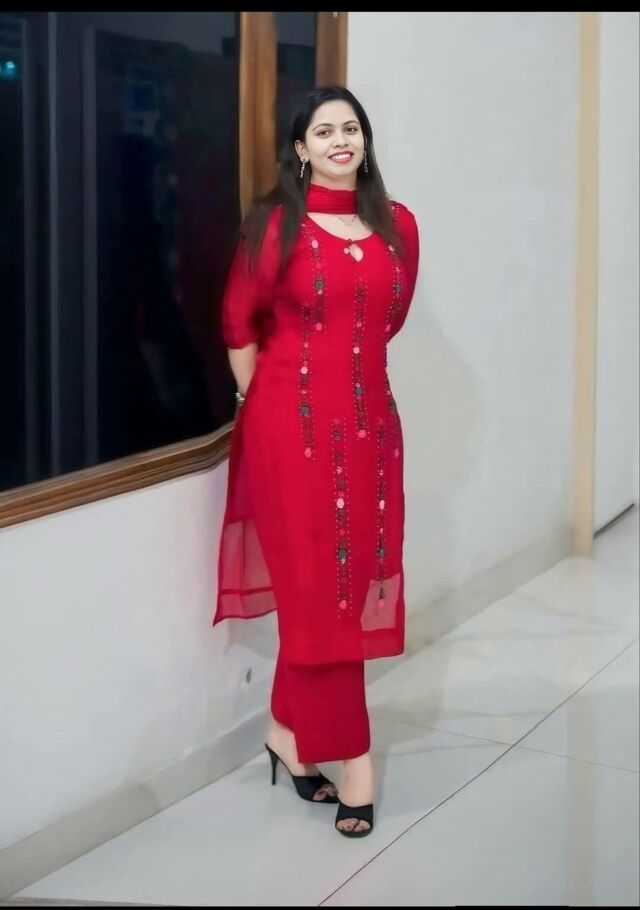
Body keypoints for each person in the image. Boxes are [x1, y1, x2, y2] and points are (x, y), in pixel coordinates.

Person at [213, 85, 420, 838]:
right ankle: (354, 759)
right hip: (289, 435)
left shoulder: (398, 225)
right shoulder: (275, 227)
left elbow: (386, 321)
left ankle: (286, 734)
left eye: (351, 128)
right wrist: (266, 403)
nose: (341, 140)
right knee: (320, 595)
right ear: (300, 150)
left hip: (368, 430)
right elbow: (239, 323)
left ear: (364, 141)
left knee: (343, 584)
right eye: (324, 131)